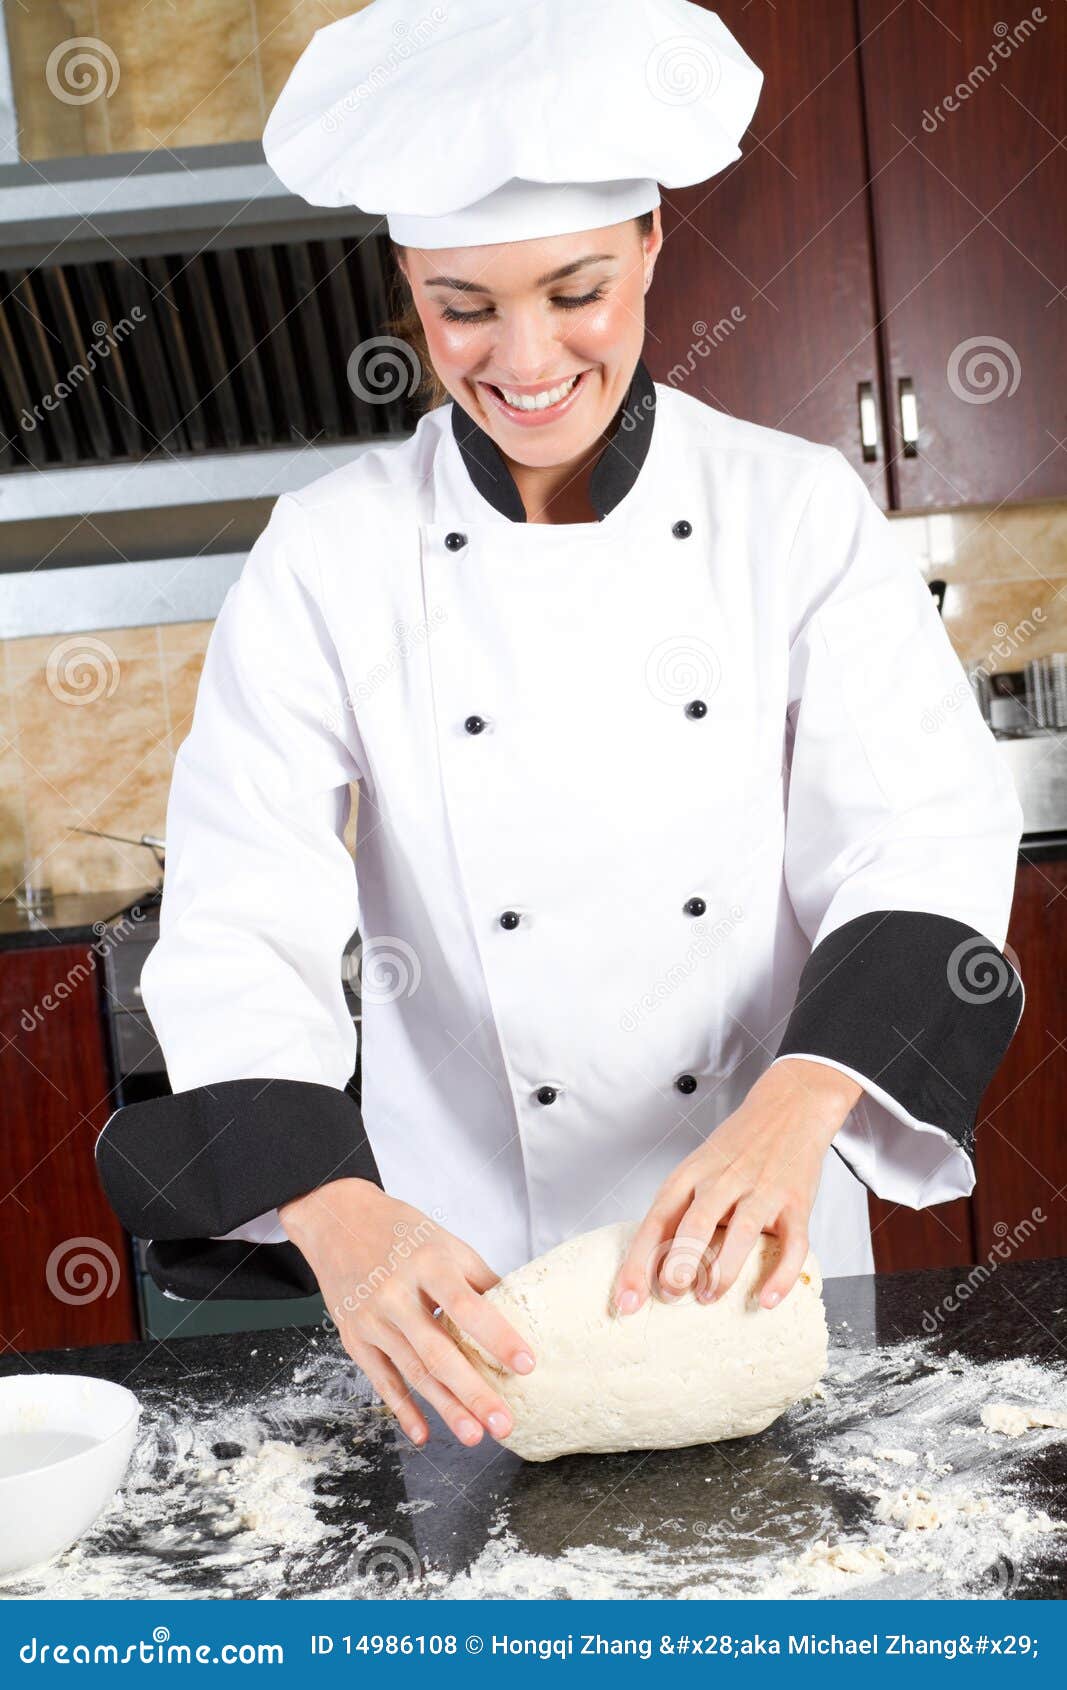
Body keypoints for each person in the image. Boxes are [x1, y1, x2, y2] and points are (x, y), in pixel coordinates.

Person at [96, 0, 1024, 1453]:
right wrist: (337, 1213)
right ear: (409, 283)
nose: (524, 360)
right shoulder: (330, 553)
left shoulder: (790, 511)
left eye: (576, 289)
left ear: (652, 244)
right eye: (463, 305)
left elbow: (924, 828)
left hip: (759, 1232)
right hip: (458, 1274)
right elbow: (237, 910)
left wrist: (802, 1099)